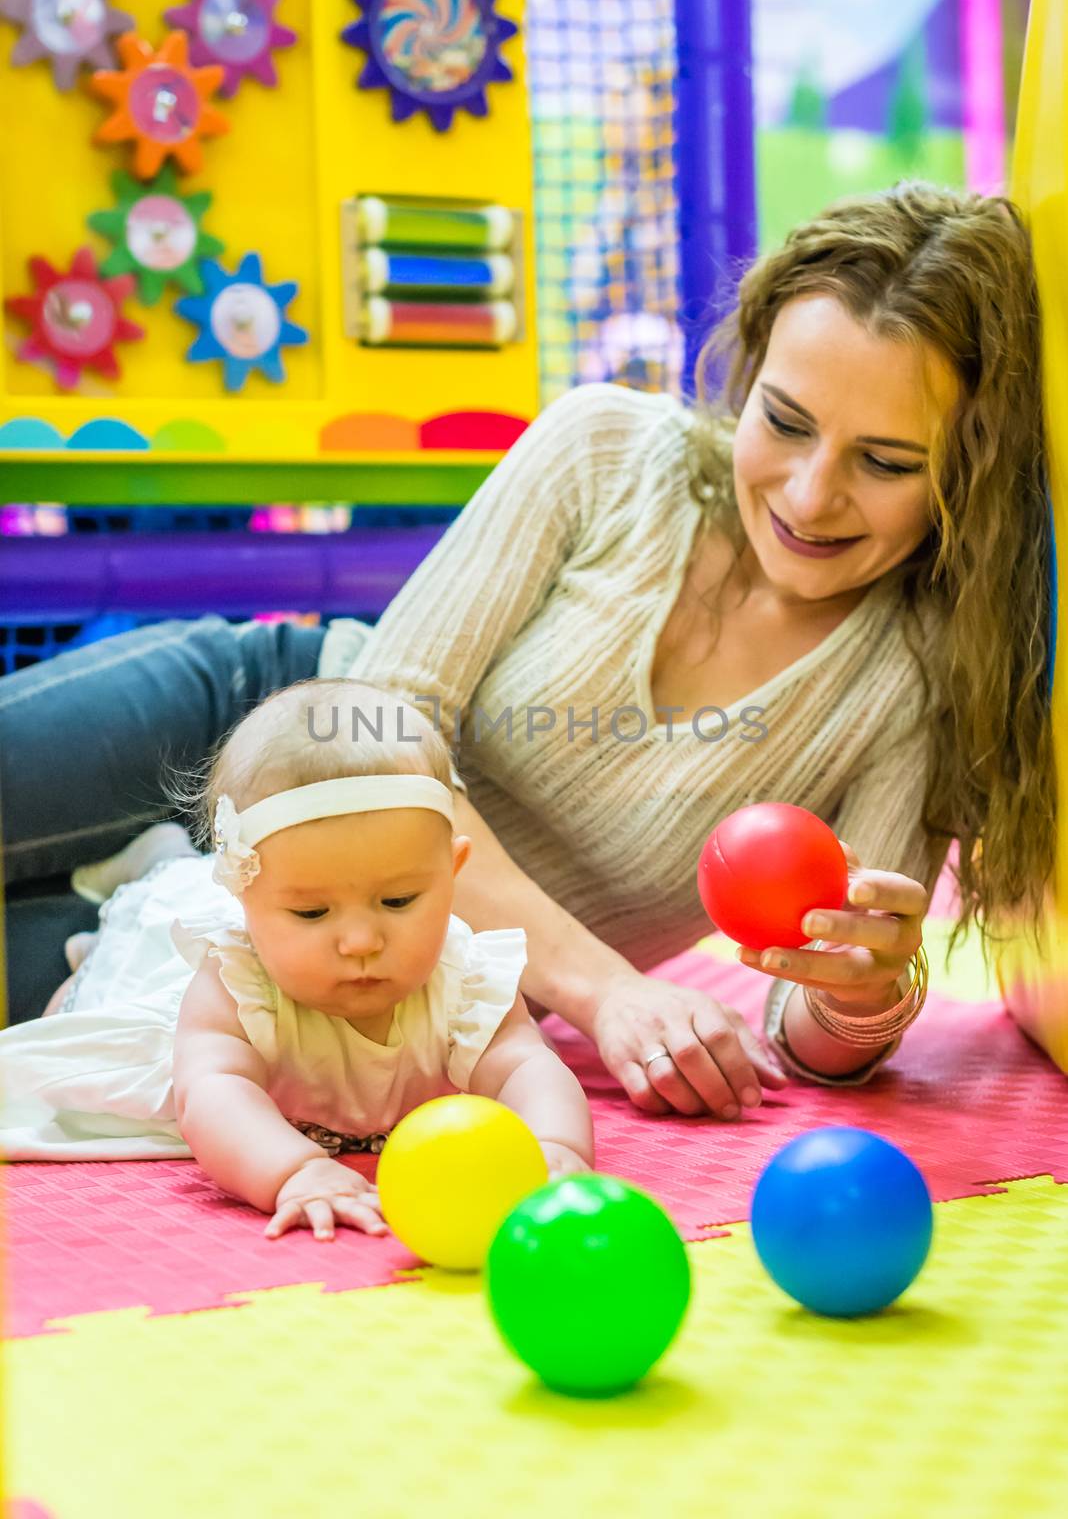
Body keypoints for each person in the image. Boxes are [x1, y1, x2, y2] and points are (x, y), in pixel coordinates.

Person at [2, 182, 1054, 1117]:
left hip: (341, 966)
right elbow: (373, 735)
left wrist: (862, 995)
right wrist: (605, 991)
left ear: (968, 473)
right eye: (783, 421)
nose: (811, 493)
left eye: (885, 461)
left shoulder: (916, 684)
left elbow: (806, 1027)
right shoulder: (607, 448)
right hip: (256, 713)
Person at [0, 681, 595, 1239]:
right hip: (156, 972)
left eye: (398, 900)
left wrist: (555, 1143)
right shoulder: (237, 983)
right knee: (80, 1008)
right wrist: (293, 1169)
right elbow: (211, 1092)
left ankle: (159, 864)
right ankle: (114, 917)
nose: (360, 940)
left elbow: (523, 1064)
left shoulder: (465, 977)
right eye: (313, 913)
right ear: (241, 896)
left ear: (453, 872)